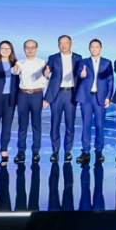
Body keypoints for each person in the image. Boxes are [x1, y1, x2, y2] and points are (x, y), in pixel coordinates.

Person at [43, 35, 82, 165]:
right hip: (57, 94)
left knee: (70, 124)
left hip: (71, 93)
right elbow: (46, 70)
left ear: (71, 44)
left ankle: (67, 150)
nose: (64, 45)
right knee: (55, 123)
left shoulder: (78, 58)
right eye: (61, 43)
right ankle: (55, 151)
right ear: (58, 45)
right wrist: (46, 73)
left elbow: (81, 74)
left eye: (66, 43)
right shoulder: (53, 58)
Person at [76, 39, 113, 164]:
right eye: (92, 47)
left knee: (99, 125)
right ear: (89, 48)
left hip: (100, 98)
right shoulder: (83, 62)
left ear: (101, 49)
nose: (94, 49)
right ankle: (85, 152)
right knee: (86, 125)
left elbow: (110, 80)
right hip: (86, 98)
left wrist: (108, 97)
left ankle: (99, 151)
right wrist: (81, 74)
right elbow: (78, 75)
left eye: (97, 47)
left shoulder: (107, 63)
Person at [15, 39, 47, 165]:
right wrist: (14, 70)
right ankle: (21, 151)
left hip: (37, 94)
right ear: (24, 49)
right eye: (27, 47)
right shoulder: (19, 63)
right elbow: (14, 73)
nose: (30, 50)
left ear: (36, 49)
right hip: (23, 95)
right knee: (22, 125)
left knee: (36, 125)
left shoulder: (42, 63)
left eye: (32, 47)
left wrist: (46, 98)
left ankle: (36, 152)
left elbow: (46, 80)